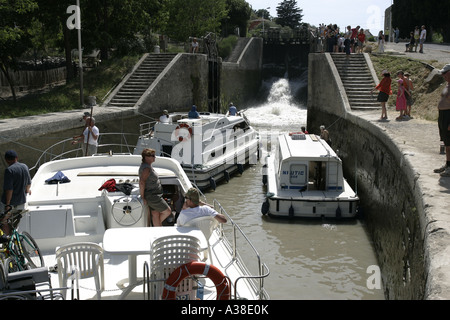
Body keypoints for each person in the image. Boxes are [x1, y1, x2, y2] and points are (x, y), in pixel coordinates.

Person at [139, 148, 172, 226]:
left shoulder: (147, 166)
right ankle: (156, 226)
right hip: (153, 196)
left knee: (155, 214)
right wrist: (143, 197)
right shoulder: (146, 168)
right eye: (153, 155)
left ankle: (157, 228)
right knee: (167, 211)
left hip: (154, 194)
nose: (155, 157)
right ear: (146, 157)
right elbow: (142, 182)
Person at [1, 150, 31, 235]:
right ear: (16, 158)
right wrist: (27, 190)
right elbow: (28, 182)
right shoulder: (24, 166)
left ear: (6, 160)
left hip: (11, 204)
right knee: (16, 222)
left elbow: (9, 189)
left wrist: (7, 205)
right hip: (21, 202)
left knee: (4, 221)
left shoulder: (9, 170)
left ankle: (6, 239)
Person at [433, 64, 450, 177]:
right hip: (443, 115)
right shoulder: (448, 85)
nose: (443, 75)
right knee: (446, 143)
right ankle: (448, 165)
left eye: (445, 73)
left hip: (448, 115)